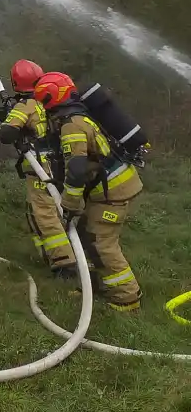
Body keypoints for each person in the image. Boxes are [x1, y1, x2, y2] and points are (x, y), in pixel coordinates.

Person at [33, 71, 143, 312]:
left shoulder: (72, 125)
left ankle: (126, 298)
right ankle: (97, 284)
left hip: (113, 193)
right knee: (84, 235)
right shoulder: (76, 116)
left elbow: (77, 169)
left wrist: (70, 205)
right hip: (106, 190)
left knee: (100, 242)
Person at [0, 59, 77, 279]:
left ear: (16, 83)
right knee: (66, 210)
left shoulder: (26, 106)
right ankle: (80, 254)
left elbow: (6, 134)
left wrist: (8, 117)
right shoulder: (53, 101)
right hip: (65, 165)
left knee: (45, 214)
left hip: (43, 169)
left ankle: (65, 264)